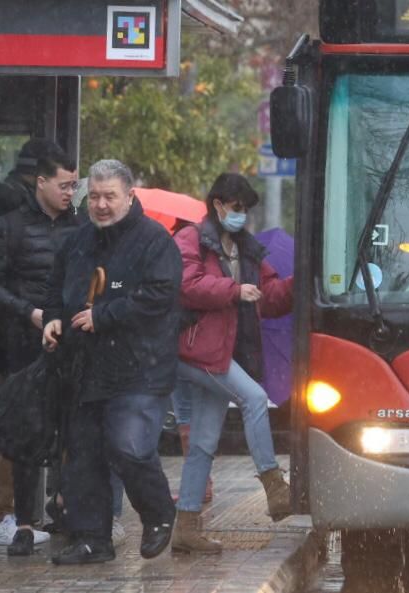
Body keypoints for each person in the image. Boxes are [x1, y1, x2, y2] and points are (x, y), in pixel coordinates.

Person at [43, 159, 181, 565]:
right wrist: (52, 317)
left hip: (140, 367)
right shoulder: (78, 239)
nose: (101, 205)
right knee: (83, 455)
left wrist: (105, 316)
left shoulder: (154, 240)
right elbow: (56, 288)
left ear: (129, 196)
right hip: (85, 368)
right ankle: (92, 538)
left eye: (110, 197)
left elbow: (161, 295)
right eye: (95, 197)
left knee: (128, 446)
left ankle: (157, 512)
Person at [171, 173, 294, 554]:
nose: (242, 216)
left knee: (204, 444)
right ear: (219, 204)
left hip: (223, 351)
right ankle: (274, 484)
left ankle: (186, 527)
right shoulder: (190, 239)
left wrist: (299, 283)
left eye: (246, 211)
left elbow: (269, 298)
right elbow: (187, 286)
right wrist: (233, 289)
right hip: (195, 350)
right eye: (237, 208)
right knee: (254, 399)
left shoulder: (247, 248)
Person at [0, 144, 80, 555]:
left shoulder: (80, 227)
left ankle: (68, 507)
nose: (71, 192)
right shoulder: (11, 226)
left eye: (75, 185)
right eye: (64, 185)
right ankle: (14, 518)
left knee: (72, 430)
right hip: (21, 345)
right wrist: (29, 313)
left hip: (70, 345)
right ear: (40, 182)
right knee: (19, 433)